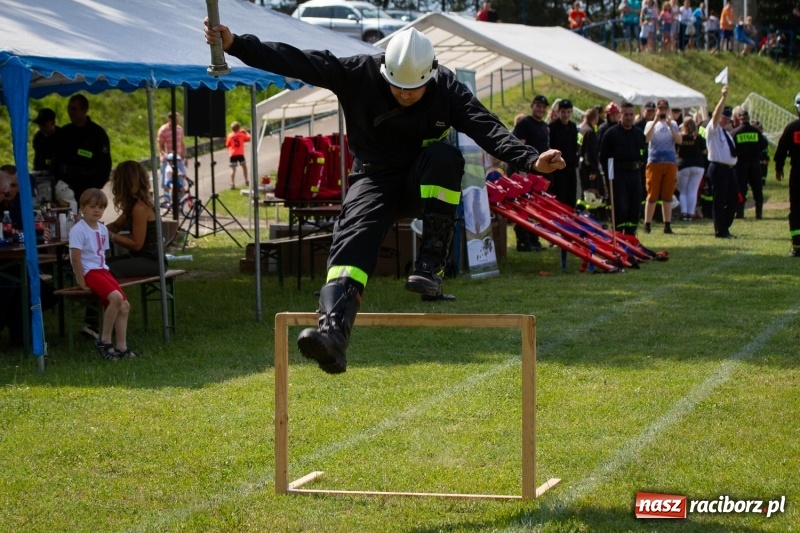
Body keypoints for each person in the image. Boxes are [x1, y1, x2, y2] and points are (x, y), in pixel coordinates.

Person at [203, 22, 565, 374]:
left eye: (413, 89)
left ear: (431, 74)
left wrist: (530, 159)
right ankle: (333, 335)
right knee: (352, 239)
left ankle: (430, 264)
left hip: (417, 180)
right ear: (384, 70)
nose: (405, 95)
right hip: (373, 177)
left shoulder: (447, 88)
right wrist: (236, 44)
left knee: (445, 157)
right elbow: (296, 60)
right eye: (397, 88)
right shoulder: (357, 72)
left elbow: (485, 124)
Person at [69, 188, 139, 360]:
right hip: (89, 272)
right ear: (82, 208)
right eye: (92, 206)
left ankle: (121, 346)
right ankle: (104, 340)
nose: (96, 210)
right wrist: (81, 280)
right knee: (115, 298)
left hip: (102, 270)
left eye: (100, 207)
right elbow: (76, 258)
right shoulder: (78, 230)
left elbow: (101, 253)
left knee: (125, 305)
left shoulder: (102, 229)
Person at [105, 161, 164, 278]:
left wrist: (109, 235)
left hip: (152, 261)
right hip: (141, 257)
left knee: (103, 270)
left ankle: (114, 296)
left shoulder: (140, 208)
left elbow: (136, 244)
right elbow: (116, 226)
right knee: (98, 265)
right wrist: (94, 228)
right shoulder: (134, 204)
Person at [52, 94, 112, 201]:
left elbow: (104, 165)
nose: (71, 112)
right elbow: (55, 159)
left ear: (85, 110)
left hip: (87, 186)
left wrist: (95, 188)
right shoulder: (63, 133)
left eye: (74, 109)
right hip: (65, 186)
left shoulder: (97, 134)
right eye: (69, 108)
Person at [599, 102, 647, 235]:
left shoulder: (638, 134)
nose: (629, 117)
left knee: (634, 207)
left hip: (635, 174)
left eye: (631, 114)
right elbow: (604, 157)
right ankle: (618, 237)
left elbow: (643, 154)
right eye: (626, 114)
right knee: (620, 208)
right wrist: (610, 179)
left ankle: (631, 236)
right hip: (618, 175)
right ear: (620, 115)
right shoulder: (611, 134)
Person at [511, 94, 550, 252]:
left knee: (536, 208)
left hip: (540, 174)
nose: (540, 109)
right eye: (538, 105)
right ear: (532, 106)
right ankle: (523, 241)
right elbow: (519, 148)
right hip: (526, 172)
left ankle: (535, 239)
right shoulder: (525, 123)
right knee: (523, 208)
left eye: (543, 107)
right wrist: (522, 173)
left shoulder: (544, 126)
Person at [643, 99, 682, 234]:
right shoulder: (649, 124)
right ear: (656, 110)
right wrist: (654, 122)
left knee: (667, 195)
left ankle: (667, 224)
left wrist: (671, 126)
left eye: (665, 108)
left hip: (670, 162)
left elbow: (679, 141)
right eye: (660, 109)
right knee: (652, 195)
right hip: (654, 162)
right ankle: (647, 224)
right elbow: (646, 139)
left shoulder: (674, 124)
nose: (663, 111)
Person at [705, 85, 738, 239]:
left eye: (728, 118)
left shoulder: (726, 133)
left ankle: (725, 226)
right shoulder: (713, 129)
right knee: (719, 200)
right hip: (718, 168)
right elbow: (716, 116)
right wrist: (723, 97)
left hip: (729, 170)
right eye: (724, 117)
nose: (725, 120)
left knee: (732, 200)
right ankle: (720, 229)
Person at [773, 90, 800, 257]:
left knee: (796, 209)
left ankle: (797, 245)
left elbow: (781, 150)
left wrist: (778, 168)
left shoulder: (791, 128)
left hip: (797, 175)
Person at [732, 109, 768, 219]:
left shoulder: (735, 132)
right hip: (754, 163)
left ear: (739, 118)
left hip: (740, 164)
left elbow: (731, 148)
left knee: (741, 188)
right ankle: (759, 213)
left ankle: (740, 213)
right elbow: (764, 144)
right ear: (748, 118)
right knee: (757, 188)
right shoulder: (756, 131)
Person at [548, 99, 579, 208]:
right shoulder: (552, 127)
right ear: (559, 112)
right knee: (560, 196)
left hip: (570, 167)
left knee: (571, 197)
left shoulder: (573, 127)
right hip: (558, 169)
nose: (566, 115)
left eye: (568, 112)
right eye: (563, 112)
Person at [676, 116, 707, 221]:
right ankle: (691, 213)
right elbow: (704, 151)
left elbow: (676, 151)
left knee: (683, 191)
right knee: (693, 191)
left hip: (683, 165)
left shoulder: (680, 138)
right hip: (698, 165)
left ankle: (684, 213)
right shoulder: (698, 138)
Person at [578, 107, 603, 205]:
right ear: (595, 118)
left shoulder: (582, 130)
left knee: (584, 193)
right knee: (590, 195)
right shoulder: (590, 132)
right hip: (588, 167)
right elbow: (590, 152)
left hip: (581, 164)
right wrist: (593, 170)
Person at [157, 111, 188, 189]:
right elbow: (160, 146)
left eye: (177, 120)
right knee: (166, 183)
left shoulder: (179, 129)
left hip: (178, 159)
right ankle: (168, 199)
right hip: (167, 160)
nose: (176, 122)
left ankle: (179, 199)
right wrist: (166, 156)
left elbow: (181, 143)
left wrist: (185, 156)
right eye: (175, 120)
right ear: (169, 119)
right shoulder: (163, 130)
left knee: (181, 181)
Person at [31, 108, 60, 172]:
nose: (41, 127)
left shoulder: (62, 136)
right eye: (40, 124)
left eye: (44, 124)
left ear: (53, 122)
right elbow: (37, 158)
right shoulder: (38, 137)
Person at [225, 121, 251, 189]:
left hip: (233, 154)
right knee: (244, 167)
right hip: (240, 153)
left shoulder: (230, 135)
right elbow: (248, 138)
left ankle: (232, 183)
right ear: (239, 128)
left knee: (233, 169)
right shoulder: (241, 134)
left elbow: (227, 144)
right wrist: (245, 132)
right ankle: (246, 180)